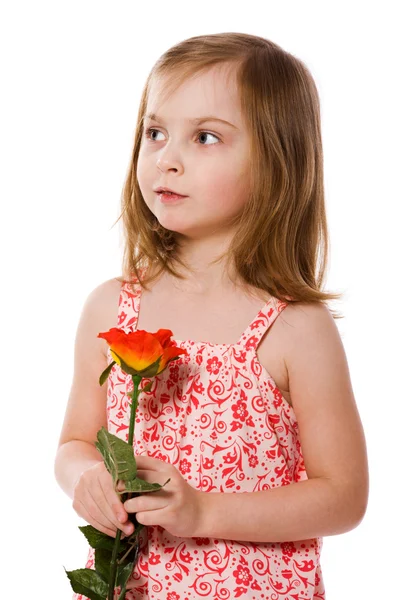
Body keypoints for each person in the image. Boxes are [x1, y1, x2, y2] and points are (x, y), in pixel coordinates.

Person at [54, 32, 369, 600]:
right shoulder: (112, 310)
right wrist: (87, 482)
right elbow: (75, 444)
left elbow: (344, 496)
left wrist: (203, 512)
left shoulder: (295, 329)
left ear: (276, 160)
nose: (166, 158)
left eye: (205, 137)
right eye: (155, 132)